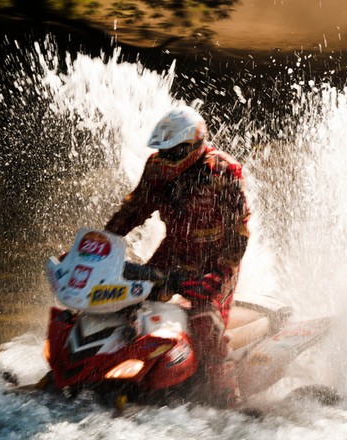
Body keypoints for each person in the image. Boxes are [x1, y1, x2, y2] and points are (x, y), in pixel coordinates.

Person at [105, 104, 250, 407]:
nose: (165, 158)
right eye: (163, 151)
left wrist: (215, 278)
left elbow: (238, 236)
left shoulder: (225, 171)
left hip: (216, 259)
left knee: (202, 318)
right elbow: (135, 208)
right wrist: (101, 243)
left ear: (194, 145)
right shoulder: (157, 166)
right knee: (128, 299)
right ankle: (113, 369)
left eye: (173, 152)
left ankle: (229, 400)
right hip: (173, 250)